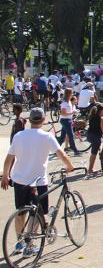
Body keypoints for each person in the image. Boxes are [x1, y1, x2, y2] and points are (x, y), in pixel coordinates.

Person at [1, 108, 74, 257]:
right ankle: (30, 245)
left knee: (20, 212)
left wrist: (5, 176)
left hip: (20, 180)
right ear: (43, 120)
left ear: (29, 120)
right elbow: (61, 154)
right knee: (37, 214)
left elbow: (9, 158)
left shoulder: (19, 136)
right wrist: (70, 166)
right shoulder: (47, 137)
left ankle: (20, 242)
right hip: (39, 182)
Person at [86, 103, 103, 175]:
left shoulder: (92, 116)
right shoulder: (102, 119)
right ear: (101, 110)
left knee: (96, 148)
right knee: (94, 153)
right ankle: (90, 169)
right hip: (96, 137)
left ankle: (100, 151)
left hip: (89, 135)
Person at [58, 88, 79, 154]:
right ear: (69, 94)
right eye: (72, 93)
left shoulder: (68, 101)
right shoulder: (65, 102)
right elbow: (62, 113)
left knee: (63, 137)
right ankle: (75, 150)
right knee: (71, 136)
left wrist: (73, 111)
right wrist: (72, 112)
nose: (72, 94)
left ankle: (56, 149)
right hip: (66, 120)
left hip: (66, 120)